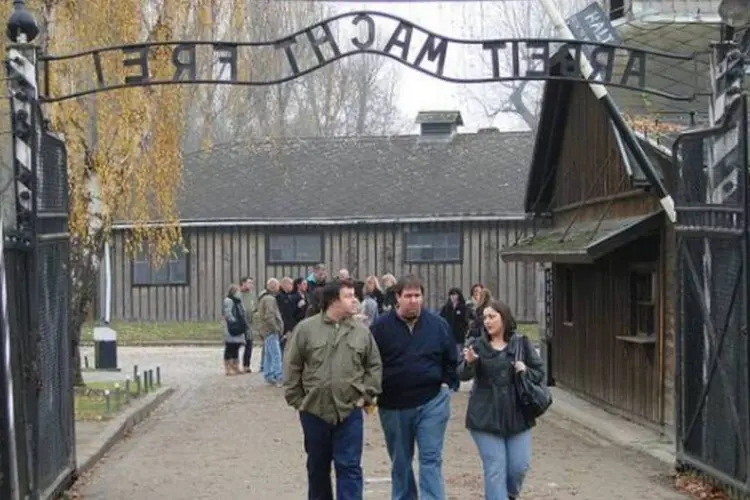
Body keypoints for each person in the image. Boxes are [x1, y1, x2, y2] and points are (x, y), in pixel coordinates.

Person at [284, 279, 383, 500]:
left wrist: (365, 396)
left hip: (349, 411)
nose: (354, 299)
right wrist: (298, 400)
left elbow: (374, 365)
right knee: (318, 468)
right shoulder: (306, 329)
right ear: (332, 301)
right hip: (314, 411)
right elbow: (292, 365)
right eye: (348, 295)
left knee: (349, 466)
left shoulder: (361, 332)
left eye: (354, 295)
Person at [369, 274, 459, 500]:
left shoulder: (438, 325)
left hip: (432, 402)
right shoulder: (380, 328)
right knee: (401, 461)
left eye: (417, 295)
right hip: (394, 405)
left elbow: (451, 358)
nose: (413, 300)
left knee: (431, 458)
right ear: (397, 298)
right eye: (408, 296)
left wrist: (447, 385)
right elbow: (369, 364)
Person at [458, 299, 544, 500]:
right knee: (495, 468)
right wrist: (469, 363)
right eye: (485, 317)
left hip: (516, 414)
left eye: (492, 316)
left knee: (518, 467)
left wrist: (525, 370)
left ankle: (510, 494)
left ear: (504, 319)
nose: (487, 321)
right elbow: (462, 375)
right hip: (485, 416)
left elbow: (539, 373)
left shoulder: (521, 343)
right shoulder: (477, 345)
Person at [257, 278, 284, 386]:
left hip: (266, 330)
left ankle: (268, 374)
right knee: (276, 355)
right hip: (270, 330)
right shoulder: (270, 299)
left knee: (268, 354)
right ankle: (279, 376)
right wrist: (276, 328)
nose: (279, 288)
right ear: (273, 287)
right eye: (278, 286)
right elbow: (269, 316)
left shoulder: (264, 298)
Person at [222, 284, 247, 376]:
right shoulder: (228, 300)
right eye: (237, 291)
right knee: (230, 346)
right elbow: (228, 313)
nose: (239, 293)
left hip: (239, 326)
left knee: (237, 346)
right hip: (232, 326)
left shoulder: (239, 301)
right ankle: (228, 367)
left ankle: (235, 366)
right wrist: (234, 321)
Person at [440, 287, 469, 358]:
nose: (453, 297)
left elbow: (466, 321)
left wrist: (464, 330)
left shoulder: (463, 307)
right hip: (447, 335)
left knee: (459, 355)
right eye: (451, 295)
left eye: (454, 294)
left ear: (459, 295)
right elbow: (441, 319)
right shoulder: (446, 307)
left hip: (459, 336)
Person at [239, 276, 256, 373]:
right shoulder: (238, 295)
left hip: (249, 324)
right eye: (249, 283)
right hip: (240, 324)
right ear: (243, 283)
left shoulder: (252, 295)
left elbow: (254, 307)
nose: (251, 285)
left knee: (249, 345)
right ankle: (234, 365)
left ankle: (246, 365)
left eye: (251, 283)